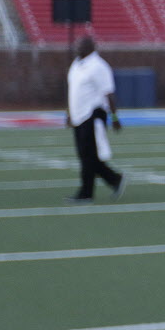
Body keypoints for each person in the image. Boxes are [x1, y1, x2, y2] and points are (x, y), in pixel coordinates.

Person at [65, 35, 126, 204]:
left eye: (80, 44)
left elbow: (109, 93)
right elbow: (73, 90)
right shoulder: (77, 64)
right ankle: (114, 178)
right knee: (87, 156)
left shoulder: (99, 66)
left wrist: (114, 117)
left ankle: (86, 193)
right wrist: (69, 113)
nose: (77, 47)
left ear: (91, 47)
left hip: (92, 114)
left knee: (87, 156)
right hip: (79, 115)